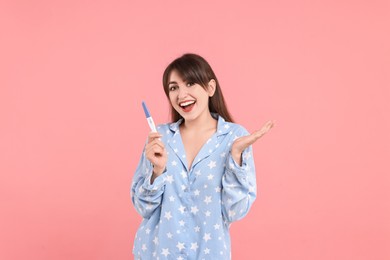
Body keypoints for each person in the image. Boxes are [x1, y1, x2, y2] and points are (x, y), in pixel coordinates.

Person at [131, 53, 273, 259]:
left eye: (190, 83)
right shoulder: (159, 138)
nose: (181, 95)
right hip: (157, 253)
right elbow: (142, 207)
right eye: (174, 88)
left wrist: (235, 158)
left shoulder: (234, 138)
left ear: (210, 88)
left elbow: (235, 211)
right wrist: (157, 171)